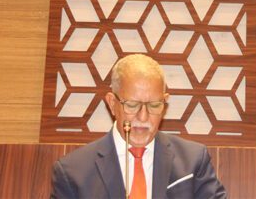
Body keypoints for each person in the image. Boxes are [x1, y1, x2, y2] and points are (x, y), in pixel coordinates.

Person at [50, 54, 227, 199]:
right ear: (112, 103)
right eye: (132, 105)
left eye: (154, 105)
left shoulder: (193, 161)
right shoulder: (73, 172)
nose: (143, 117)